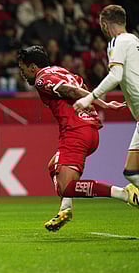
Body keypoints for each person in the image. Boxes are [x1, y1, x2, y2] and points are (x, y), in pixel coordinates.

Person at [17, 45, 135, 232]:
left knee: (67, 187)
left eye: (23, 69)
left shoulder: (41, 79)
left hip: (75, 131)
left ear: (32, 67)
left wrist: (103, 103)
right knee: (53, 166)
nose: (22, 74)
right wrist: (99, 103)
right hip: (90, 130)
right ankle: (65, 209)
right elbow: (81, 87)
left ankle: (124, 194)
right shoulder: (61, 70)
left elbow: (70, 92)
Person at [74, 5, 139, 202]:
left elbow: (116, 75)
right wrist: (130, 101)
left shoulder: (118, 42)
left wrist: (89, 98)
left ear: (104, 24)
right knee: (130, 172)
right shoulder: (134, 40)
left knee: (132, 171)